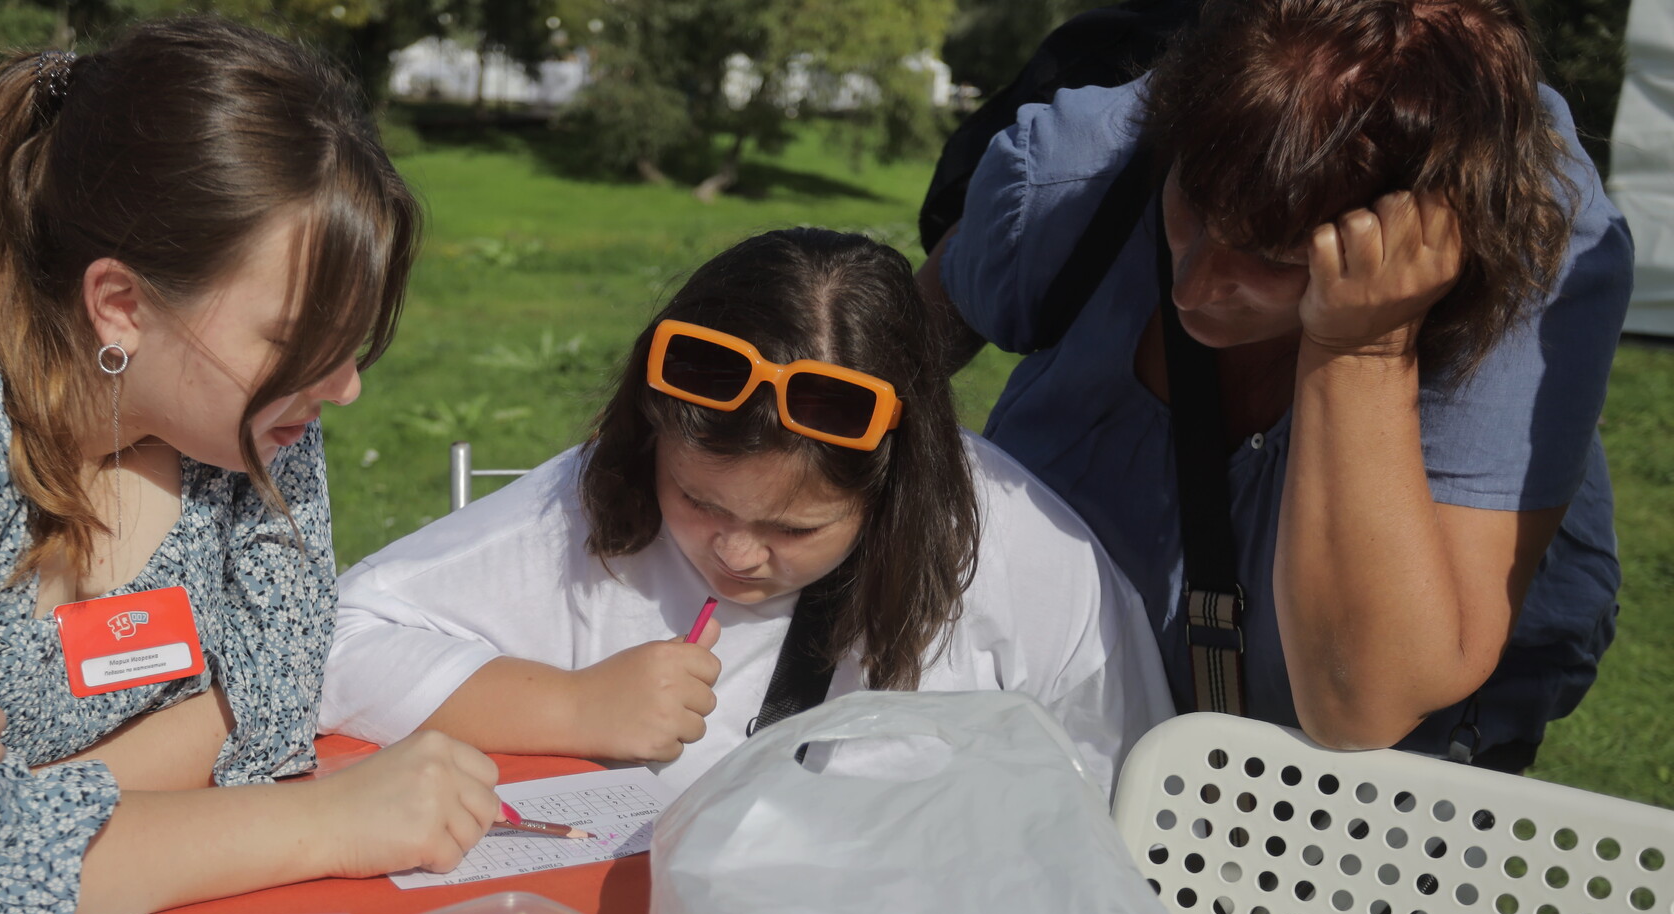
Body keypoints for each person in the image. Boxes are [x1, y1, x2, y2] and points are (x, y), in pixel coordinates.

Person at [918, 0, 1632, 914]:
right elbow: (896, 356)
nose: (1200, 284)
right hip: (1080, 668)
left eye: (1272, 258)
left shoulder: (1535, 240)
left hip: (1351, 717)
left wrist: (1363, 345)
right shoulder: (1088, 162)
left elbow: (1365, 698)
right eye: (1192, 212)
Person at [0, 18, 500, 914]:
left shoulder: (257, 424)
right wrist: (325, 823)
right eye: (298, 338)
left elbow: (268, 701)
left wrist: (23, 798)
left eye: (350, 339)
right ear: (121, 306)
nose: (344, 384)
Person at [320, 228, 1173, 798]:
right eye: (695, 498)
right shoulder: (584, 512)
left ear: (897, 495)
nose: (734, 551)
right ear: (650, 435)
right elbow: (331, 647)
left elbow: (1131, 781)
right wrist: (572, 707)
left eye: (795, 529)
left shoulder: (1020, 551)